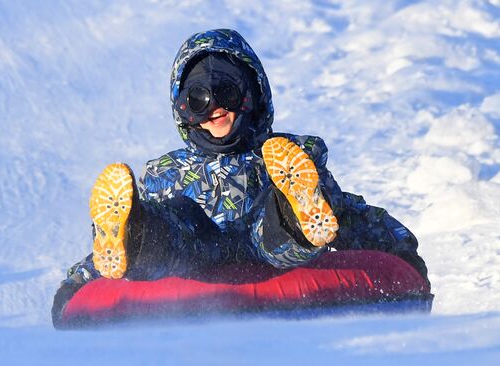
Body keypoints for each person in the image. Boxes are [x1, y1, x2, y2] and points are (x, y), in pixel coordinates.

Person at [52, 29, 429, 321]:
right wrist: (77, 284)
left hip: (268, 250)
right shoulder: (167, 172)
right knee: (174, 223)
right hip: (194, 254)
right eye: (199, 99)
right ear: (183, 109)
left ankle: (295, 212)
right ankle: (135, 236)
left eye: (227, 92)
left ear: (252, 97)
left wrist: (399, 252)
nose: (214, 107)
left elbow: (347, 213)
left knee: (274, 219)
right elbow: (105, 254)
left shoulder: (286, 156)